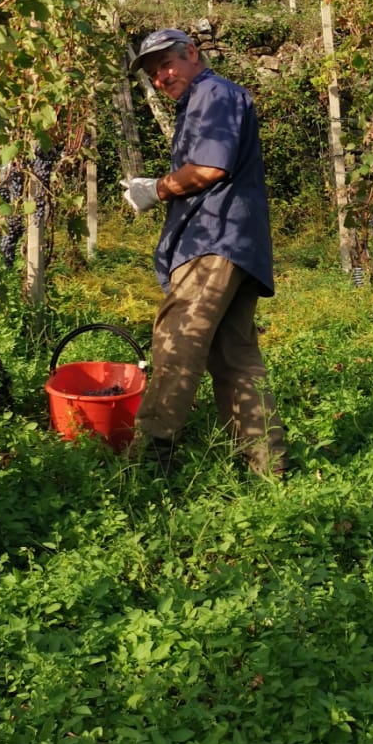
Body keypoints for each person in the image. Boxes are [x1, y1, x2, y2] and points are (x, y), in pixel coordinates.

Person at [122, 28, 288, 477]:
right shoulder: (203, 100)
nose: (161, 78)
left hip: (214, 240)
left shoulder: (212, 93)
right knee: (234, 357)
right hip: (233, 243)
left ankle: (149, 462)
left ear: (192, 53)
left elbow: (212, 167)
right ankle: (268, 466)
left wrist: (155, 189)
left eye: (166, 66)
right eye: (154, 75)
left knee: (177, 341)